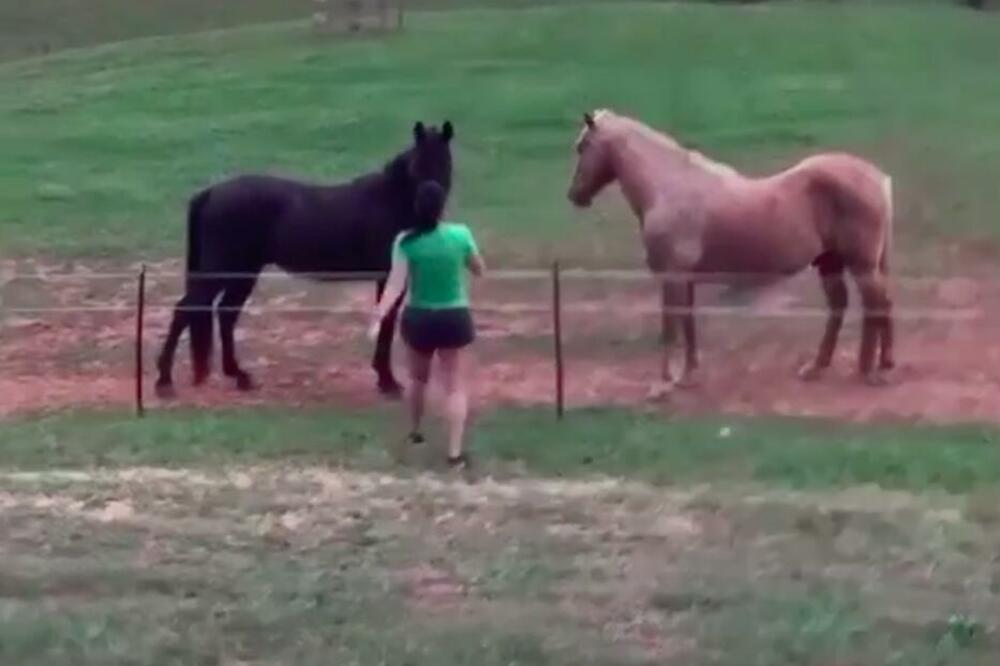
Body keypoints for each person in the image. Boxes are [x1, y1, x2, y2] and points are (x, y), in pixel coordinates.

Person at [368, 181, 485, 469]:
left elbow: (395, 285)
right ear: (442, 207)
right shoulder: (461, 234)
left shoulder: (406, 242)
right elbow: (478, 269)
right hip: (454, 316)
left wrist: (378, 317)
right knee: (454, 386)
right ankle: (454, 452)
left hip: (419, 317)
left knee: (417, 379)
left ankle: (415, 431)